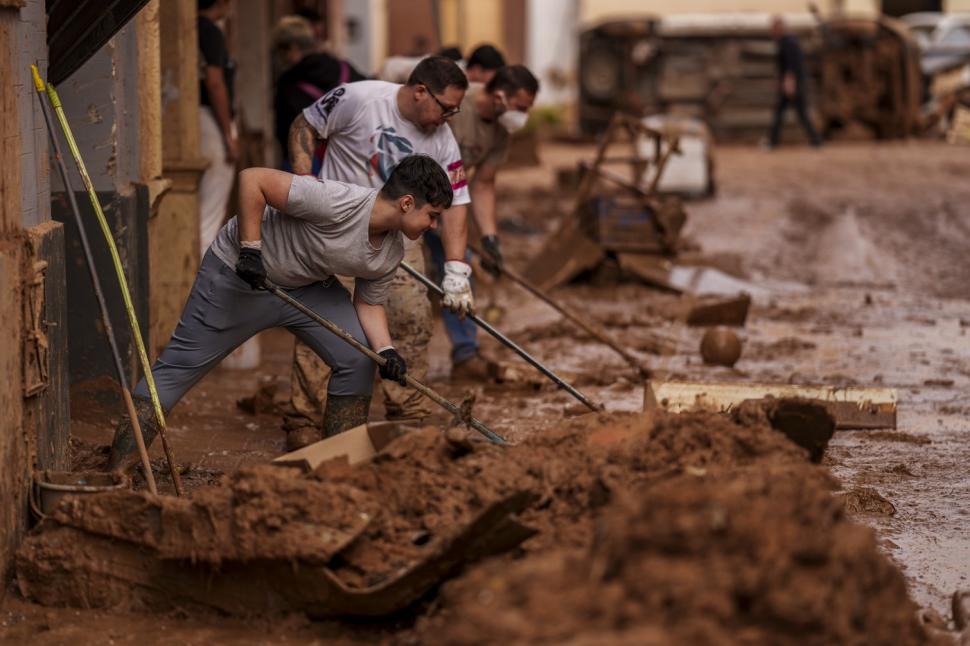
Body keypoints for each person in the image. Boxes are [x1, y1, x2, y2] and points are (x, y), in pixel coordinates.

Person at [106, 155, 454, 470]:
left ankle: (338, 468)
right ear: (407, 203)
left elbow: (369, 302)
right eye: (433, 216)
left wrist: (385, 350)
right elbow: (252, 178)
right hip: (240, 277)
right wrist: (251, 250)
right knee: (178, 368)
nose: (433, 226)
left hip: (306, 288)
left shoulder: (391, 250)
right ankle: (117, 467)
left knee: (358, 358)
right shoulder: (338, 200)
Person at [284, 56, 473, 446]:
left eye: (456, 110)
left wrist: (456, 269)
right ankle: (304, 421)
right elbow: (305, 124)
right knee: (324, 323)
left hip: (400, 239)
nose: (449, 117)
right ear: (420, 91)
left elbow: (456, 203)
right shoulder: (360, 99)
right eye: (446, 107)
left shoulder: (442, 137)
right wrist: (306, 184)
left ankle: (408, 415)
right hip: (335, 230)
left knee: (412, 320)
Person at [427, 64, 539, 380]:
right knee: (405, 280)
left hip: (449, 206)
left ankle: (465, 354)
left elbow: (484, 183)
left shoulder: (500, 132)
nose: (523, 116)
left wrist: (490, 238)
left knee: (461, 269)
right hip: (409, 200)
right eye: (521, 107)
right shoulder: (457, 103)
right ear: (500, 96)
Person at [272, 15, 365, 170]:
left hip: (310, 162)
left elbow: (284, 133)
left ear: (292, 48)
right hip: (350, 158)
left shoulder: (288, 83)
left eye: (281, 50)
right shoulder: (343, 68)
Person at [197, 0, 238, 256]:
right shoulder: (209, 30)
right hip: (210, 119)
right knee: (210, 212)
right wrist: (228, 133)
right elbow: (215, 82)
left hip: (197, 118)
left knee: (204, 209)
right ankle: (206, 280)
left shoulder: (193, 28)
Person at [767, 16, 823, 148]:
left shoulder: (789, 42)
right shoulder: (785, 41)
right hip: (792, 83)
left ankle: (772, 142)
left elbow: (792, 65)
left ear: (779, 28)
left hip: (793, 84)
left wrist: (789, 82)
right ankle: (815, 140)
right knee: (792, 113)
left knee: (793, 113)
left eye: (774, 28)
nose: (772, 31)